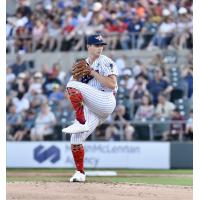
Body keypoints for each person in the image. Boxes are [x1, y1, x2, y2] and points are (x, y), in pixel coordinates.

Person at [62, 34, 118, 182]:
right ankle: (80, 173)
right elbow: (68, 90)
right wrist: (76, 100)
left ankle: (80, 121)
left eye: (101, 45)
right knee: (76, 139)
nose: (100, 48)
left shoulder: (105, 61)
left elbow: (112, 84)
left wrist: (92, 72)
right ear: (88, 46)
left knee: (72, 85)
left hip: (105, 100)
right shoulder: (83, 64)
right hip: (93, 108)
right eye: (97, 45)